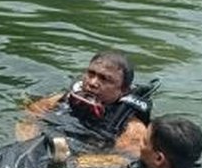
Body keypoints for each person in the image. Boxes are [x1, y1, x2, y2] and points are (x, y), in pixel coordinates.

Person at [15, 51, 154, 159]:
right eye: (91, 73)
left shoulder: (131, 128)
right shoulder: (59, 100)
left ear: (123, 90)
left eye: (105, 79)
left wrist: (72, 161)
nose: (92, 83)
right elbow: (27, 118)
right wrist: (30, 144)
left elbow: (124, 159)